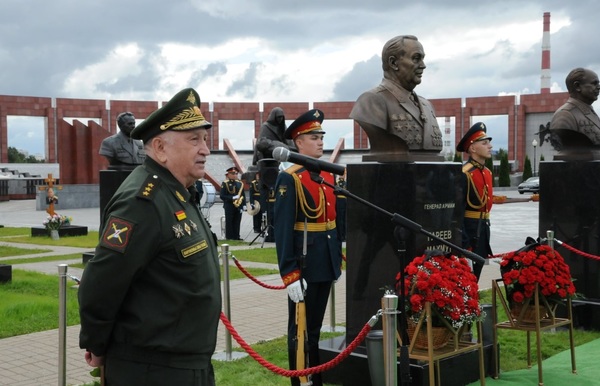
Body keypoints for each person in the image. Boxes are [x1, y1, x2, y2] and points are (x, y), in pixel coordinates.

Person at [78, 88, 221, 386]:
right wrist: (97, 343)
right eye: (194, 139)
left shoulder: (177, 193)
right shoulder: (142, 201)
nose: (205, 149)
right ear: (160, 148)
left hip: (186, 362)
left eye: (204, 139)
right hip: (154, 370)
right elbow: (102, 282)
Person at [274, 109, 343, 386]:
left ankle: (315, 378)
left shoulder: (326, 174)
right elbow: (283, 230)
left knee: (314, 329)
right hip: (304, 265)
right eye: (314, 137)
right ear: (298, 142)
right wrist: (289, 273)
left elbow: (333, 222)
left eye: (321, 137)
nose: (320, 142)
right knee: (300, 330)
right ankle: (299, 381)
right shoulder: (290, 178)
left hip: (325, 261)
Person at [349, 35, 443, 160]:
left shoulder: (427, 105)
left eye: (422, 59)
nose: (423, 65)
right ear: (393, 63)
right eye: (416, 58)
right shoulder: (371, 101)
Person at [456, 122, 494, 280]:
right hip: (470, 231)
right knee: (466, 278)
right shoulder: (464, 173)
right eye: (484, 143)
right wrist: (464, 241)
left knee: (476, 276)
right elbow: (457, 211)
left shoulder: (487, 173)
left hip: (483, 228)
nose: (490, 146)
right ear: (472, 148)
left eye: (489, 143)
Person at [549, 67, 600, 154]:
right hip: (578, 165)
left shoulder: (590, 112)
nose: (598, 87)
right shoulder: (565, 115)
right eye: (594, 83)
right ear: (577, 86)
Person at [220, 166, 245, 240]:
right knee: (229, 221)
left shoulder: (239, 183)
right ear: (229, 174)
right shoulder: (225, 183)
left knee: (237, 221)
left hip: (238, 205)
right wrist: (232, 198)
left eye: (236, 174)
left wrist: (243, 205)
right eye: (233, 174)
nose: (235, 175)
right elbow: (222, 196)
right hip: (229, 205)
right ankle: (229, 237)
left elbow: (242, 195)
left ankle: (237, 236)